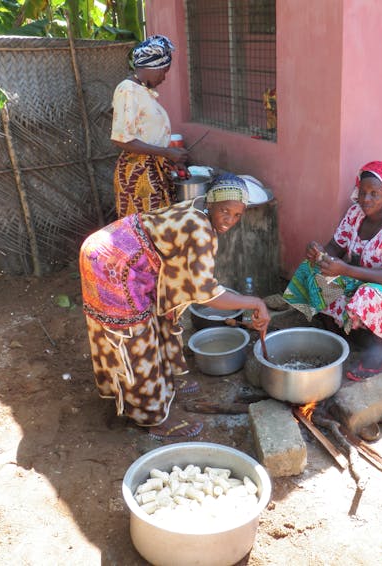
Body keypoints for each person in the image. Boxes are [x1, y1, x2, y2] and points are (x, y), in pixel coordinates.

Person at [79, 174, 270, 437]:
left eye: (238, 215)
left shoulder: (197, 207)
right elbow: (206, 294)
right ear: (211, 203)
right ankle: (153, 418)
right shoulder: (200, 229)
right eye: (225, 211)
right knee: (135, 338)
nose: (230, 220)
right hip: (112, 263)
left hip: (113, 248)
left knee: (157, 318)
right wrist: (255, 302)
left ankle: (162, 383)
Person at [283, 161, 382, 380]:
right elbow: (334, 248)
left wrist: (346, 269)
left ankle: (380, 352)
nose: (365, 199)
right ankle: (334, 331)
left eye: (374, 193)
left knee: (369, 294)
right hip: (358, 279)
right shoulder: (355, 214)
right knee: (313, 271)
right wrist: (319, 253)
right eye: (362, 192)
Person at [111, 34, 188, 217]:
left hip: (153, 169)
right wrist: (166, 153)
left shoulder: (143, 91)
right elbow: (122, 139)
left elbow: (149, 136)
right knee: (142, 233)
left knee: (156, 230)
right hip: (138, 176)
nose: (164, 78)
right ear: (153, 67)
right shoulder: (127, 90)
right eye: (164, 71)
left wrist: (170, 160)